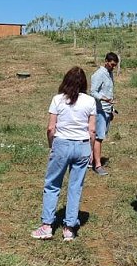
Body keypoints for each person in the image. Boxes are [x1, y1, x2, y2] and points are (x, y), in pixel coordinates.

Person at [31, 66, 96, 242]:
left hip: (61, 144)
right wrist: (90, 150)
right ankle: (69, 228)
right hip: (82, 146)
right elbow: (92, 129)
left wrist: (52, 144)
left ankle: (47, 226)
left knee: (52, 184)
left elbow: (51, 127)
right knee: (75, 187)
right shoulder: (90, 101)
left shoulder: (57, 100)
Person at [90, 52, 119, 176]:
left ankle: (90, 160)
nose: (113, 67)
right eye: (112, 64)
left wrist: (111, 108)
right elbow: (93, 92)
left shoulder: (110, 73)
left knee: (101, 136)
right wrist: (103, 99)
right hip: (100, 110)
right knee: (99, 137)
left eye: (115, 65)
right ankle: (97, 165)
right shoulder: (99, 74)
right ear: (106, 61)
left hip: (107, 109)